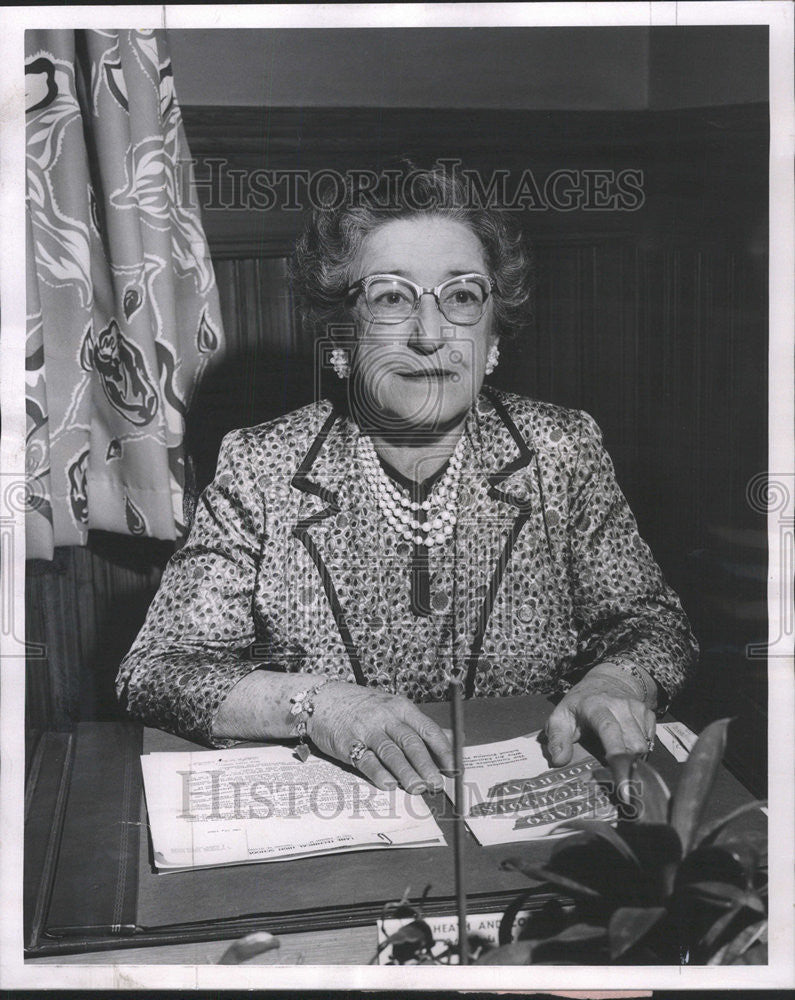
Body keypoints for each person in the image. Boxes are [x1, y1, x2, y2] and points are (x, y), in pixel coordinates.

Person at [116, 164, 698, 795]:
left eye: (462, 296)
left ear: (493, 335)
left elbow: (655, 623)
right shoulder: (264, 467)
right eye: (392, 297)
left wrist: (615, 682)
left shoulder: (560, 450)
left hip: (531, 809)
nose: (430, 335)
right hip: (353, 826)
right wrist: (320, 705)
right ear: (343, 338)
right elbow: (157, 669)